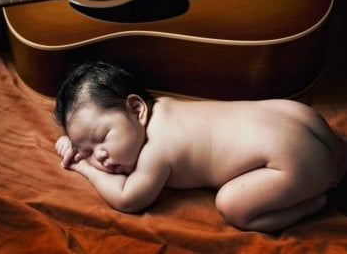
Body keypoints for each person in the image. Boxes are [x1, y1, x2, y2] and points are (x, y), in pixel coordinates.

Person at [54, 61, 347, 233]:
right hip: (299, 116)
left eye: (103, 138)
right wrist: (81, 143)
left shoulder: (157, 151)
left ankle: (310, 205)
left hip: (295, 162)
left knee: (233, 207)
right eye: (86, 151)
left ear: (136, 108)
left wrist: (82, 167)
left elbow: (128, 199)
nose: (99, 157)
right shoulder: (166, 106)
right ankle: (334, 153)